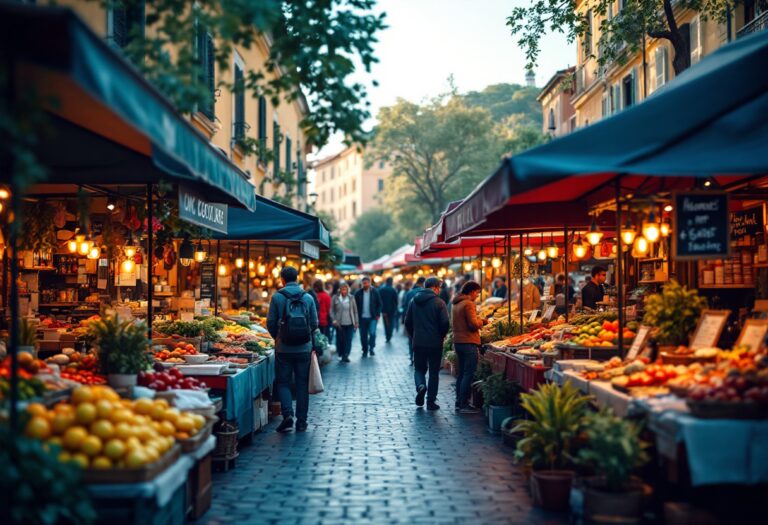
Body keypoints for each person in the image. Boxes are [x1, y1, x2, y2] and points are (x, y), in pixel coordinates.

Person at [267, 266, 319, 433]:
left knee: (283, 382)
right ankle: (302, 422)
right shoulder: (308, 298)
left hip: (283, 349)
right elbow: (314, 324)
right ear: (298, 278)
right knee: (302, 384)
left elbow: (270, 322)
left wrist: (278, 337)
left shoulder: (277, 297)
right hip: (304, 348)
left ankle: (287, 415)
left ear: (282, 279)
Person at [405, 277, 450, 411]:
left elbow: (407, 322)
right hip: (435, 343)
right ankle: (431, 402)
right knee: (434, 372)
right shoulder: (440, 302)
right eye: (439, 287)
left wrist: (414, 336)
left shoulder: (413, 301)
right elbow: (445, 323)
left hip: (418, 342)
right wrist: (441, 336)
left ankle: (421, 386)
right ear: (435, 287)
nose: (440, 290)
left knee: (419, 369)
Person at [451, 280, 488, 413]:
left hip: (458, 342)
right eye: (477, 292)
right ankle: (464, 404)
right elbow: (473, 324)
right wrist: (482, 321)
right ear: (472, 291)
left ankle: (459, 401)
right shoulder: (468, 304)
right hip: (468, 342)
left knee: (461, 373)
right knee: (469, 373)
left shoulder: (456, 303)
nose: (477, 295)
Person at [353, 276, 382, 357]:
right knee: (363, 335)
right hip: (361, 318)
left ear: (370, 283)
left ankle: (372, 348)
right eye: (363, 283)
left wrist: (377, 314)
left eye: (366, 283)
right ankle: (364, 350)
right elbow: (354, 306)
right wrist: (355, 318)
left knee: (372, 333)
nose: (365, 285)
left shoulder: (375, 292)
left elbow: (379, 304)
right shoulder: (358, 293)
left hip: (372, 317)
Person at [331, 281, 358, 362]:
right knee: (340, 340)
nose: (344, 291)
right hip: (339, 323)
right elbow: (331, 310)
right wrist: (334, 319)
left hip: (350, 322)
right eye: (342, 289)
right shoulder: (335, 297)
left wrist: (356, 322)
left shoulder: (351, 298)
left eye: (345, 290)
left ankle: (346, 354)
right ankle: (340, 353)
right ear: (340, 290)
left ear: (348, 290)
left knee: (349, 339)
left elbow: (355, 311)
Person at [403, 277, 426, 365]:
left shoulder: (409, 293)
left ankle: (412, 356)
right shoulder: (424, 292)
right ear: (423, 283)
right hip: (423, 321)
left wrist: (404, 320)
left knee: (411, 339)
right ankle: (421, 357)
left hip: (412, 320)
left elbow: (405, 307)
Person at [378, 277, 400, 343]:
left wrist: (381, 309)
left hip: (384, 310)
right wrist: (395, 309)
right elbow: (396, 301)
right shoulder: (393, 290)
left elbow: (379, 300)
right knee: (391, 323)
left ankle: (387, 336)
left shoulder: (382, 289)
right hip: (392, 310)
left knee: (386, 323)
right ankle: (389, 335)